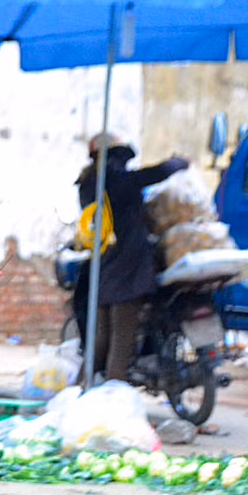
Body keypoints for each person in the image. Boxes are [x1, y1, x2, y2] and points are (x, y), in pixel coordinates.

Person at [74, 134, 188, 382]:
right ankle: (116, 396)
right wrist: (178, 162)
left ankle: (76, 390)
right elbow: (153, 174)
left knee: (101, 337)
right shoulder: (115, 180)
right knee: (121, 341)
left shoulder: (88, 183)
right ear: (114, 156)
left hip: (104, 266)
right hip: (128, 268)